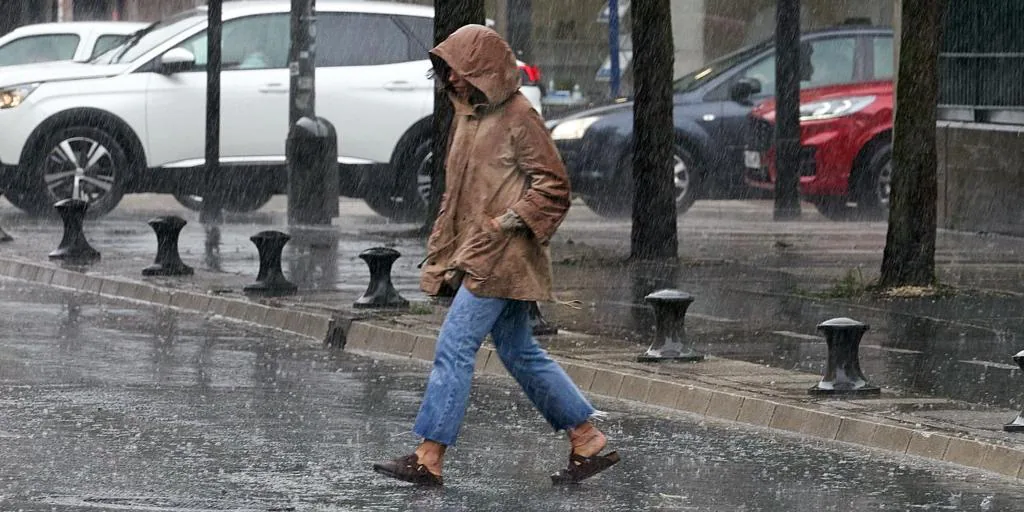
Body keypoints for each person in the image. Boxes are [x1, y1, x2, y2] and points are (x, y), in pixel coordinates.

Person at [372, 25, 619, 487]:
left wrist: (508, 221)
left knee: (454, 346)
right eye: (448, 71)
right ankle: (586, 438)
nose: (454, 80)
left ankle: (429, 456)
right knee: (519, 350)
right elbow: (456, 193)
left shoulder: (519, 115)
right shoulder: (467, 117)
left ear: (485, 69)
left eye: (462, 71)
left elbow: (554, 185)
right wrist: (442, 248)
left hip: (503, 254)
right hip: (476, 251)